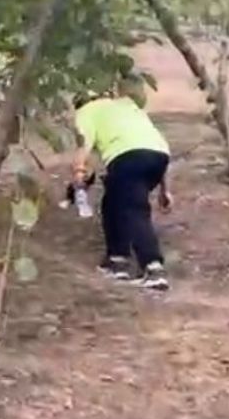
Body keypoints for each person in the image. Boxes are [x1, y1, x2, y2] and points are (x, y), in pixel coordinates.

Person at [71, 87, 173, 291]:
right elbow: (149, 142)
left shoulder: (86, 112)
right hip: (159, 157)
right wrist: (165, 189)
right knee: (112, 202)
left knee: (134, 210)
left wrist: (78, 173)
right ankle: (117, 259)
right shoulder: (127, 105)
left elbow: (84, 144)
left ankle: (153, 268)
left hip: (127, 157)